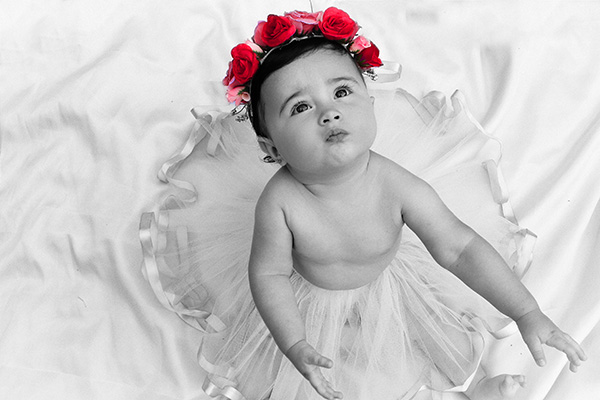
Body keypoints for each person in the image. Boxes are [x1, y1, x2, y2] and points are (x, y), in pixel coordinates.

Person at [140, 7, 586, 400]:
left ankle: (471, 390)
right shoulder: (280, 204)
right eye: (299, 108)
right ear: (272, 149)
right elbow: (270, 274)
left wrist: (527, 311)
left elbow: (460, 247)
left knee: (431, 335)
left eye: (341, 93)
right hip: (310, 297)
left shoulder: (396, 184)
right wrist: (295, 342)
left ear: (370, 104)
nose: (328, 113)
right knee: (341, 374)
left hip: (394, 277)